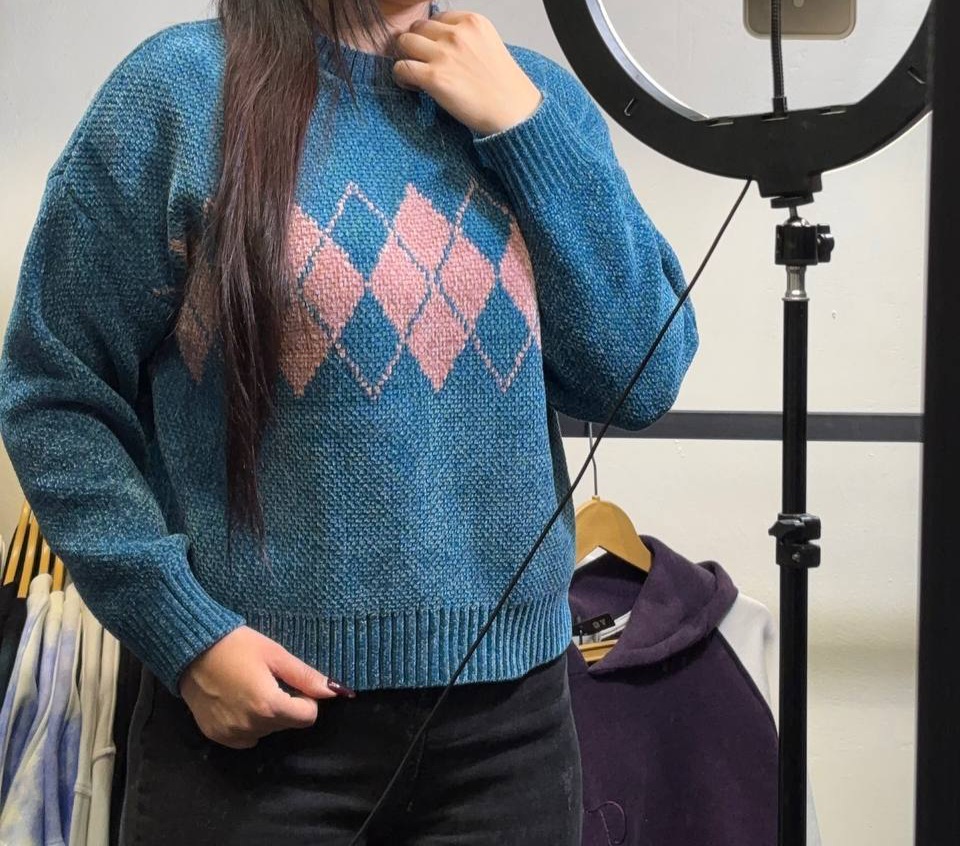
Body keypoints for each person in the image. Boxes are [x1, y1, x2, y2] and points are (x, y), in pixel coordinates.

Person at [0, 1, 699, 843]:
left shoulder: (530, 96)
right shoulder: (177, 93)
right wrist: (183, 633)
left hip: (512, 744)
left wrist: (528, 130)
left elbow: (641, 378)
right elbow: (54, 390)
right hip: (256, 738)